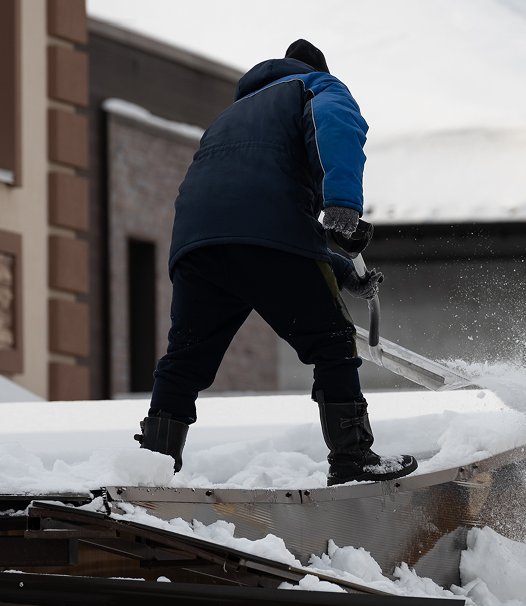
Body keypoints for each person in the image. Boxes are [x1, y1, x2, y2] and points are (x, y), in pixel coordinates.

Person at [133, 39, 418, 487]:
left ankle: (150, 470)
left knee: (184, 361)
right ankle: (352, 456)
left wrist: (343, 271)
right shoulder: (316, 87)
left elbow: (252, 215)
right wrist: (343, 203)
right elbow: (335, 125)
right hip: (266, 237)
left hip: (197, 246)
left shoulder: (230, 117)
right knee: (332, 341)